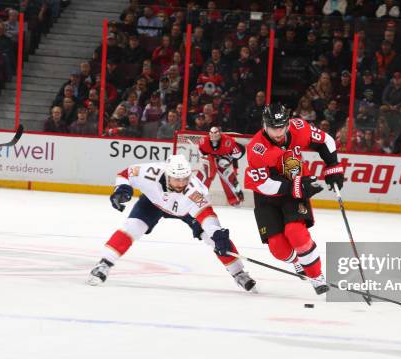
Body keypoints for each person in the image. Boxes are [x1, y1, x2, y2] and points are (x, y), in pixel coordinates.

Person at [87, 155, 256, 292]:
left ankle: (239, 273)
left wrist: (217, 234)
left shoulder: (196, 191)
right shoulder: (150, 173)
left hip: (186, 211)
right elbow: (125, 174)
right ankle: (104, 264)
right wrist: (122, 189)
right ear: (167, 175)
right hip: (153, 203)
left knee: (212, 238)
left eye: (185, 178)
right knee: (132, 227)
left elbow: (207, 216)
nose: (182, 183)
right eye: (177, 179)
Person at [244, 103, 345, 295]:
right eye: (274, 127)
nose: (279, 131)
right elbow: (264, 184)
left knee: (296, 232)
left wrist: (333, 165)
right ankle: (298, 262)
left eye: (282, 126)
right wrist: (296, 187)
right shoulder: (257, 149)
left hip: (295, 189)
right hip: (268, 195)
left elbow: (326, 140)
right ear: (265, 125)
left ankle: (316, 275)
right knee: (278, 248)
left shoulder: (299, 128)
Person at [196, 127, 246, 207]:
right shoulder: (203, 141)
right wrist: (206, 159)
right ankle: (197, 197)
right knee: (205, 173)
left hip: (224, 157)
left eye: (216, 135)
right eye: (212, 135)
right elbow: (202, 153)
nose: (214, 138)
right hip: (210, 157)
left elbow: (237, 155)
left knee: (228, 176)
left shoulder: (228, 141)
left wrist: (227, 159)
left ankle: (235, 199)